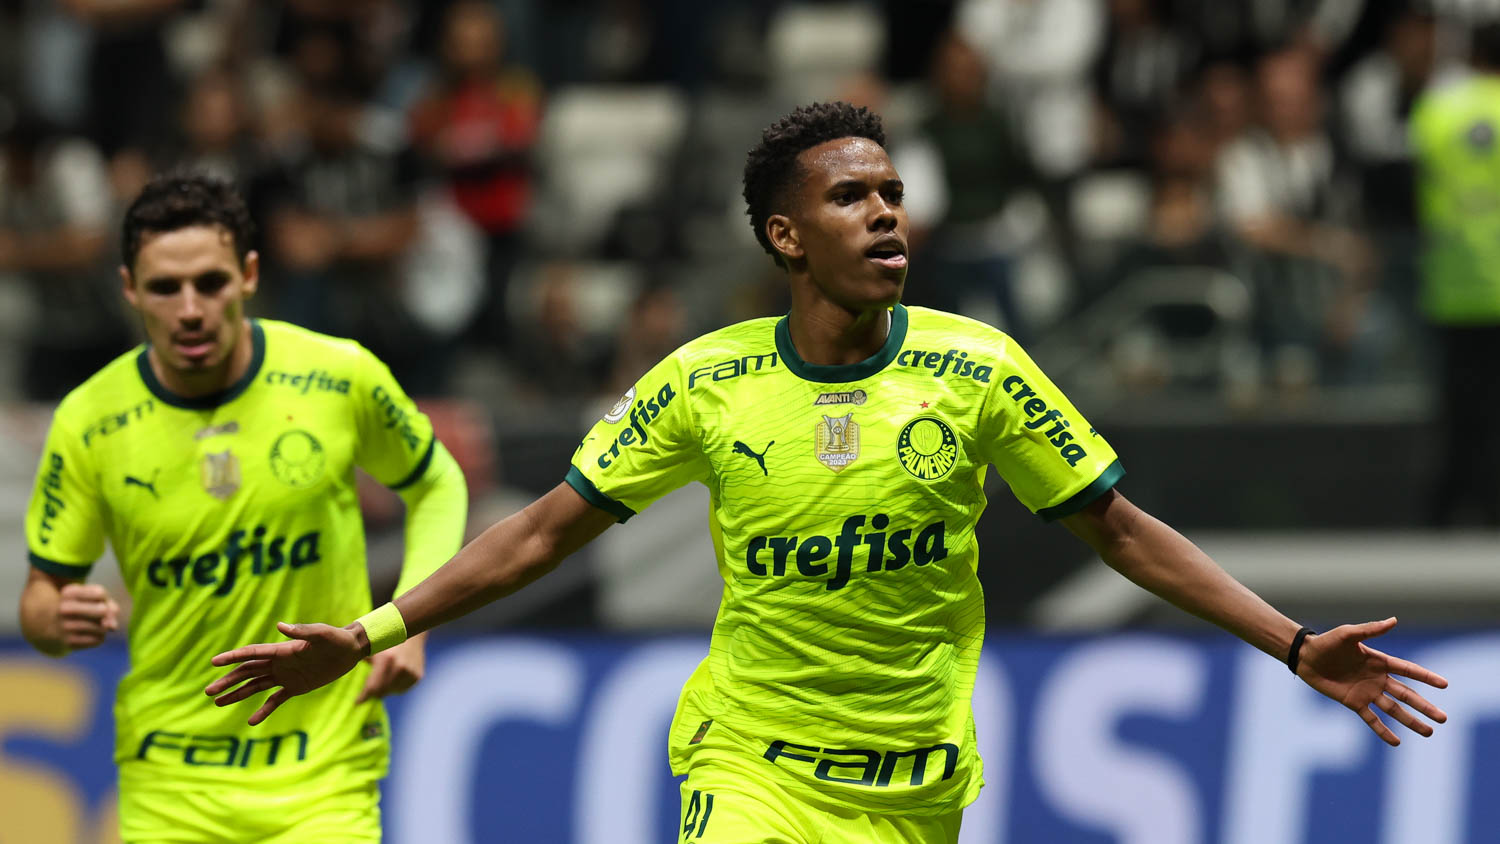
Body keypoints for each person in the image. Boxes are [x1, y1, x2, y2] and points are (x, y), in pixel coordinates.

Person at [206, 103, 1447, 843]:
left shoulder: (978, 372)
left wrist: (1291, 646)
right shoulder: (703, 382)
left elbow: (1119, 531)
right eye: (853, 197)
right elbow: (538, 533)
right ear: (785, 235)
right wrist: (372, 629)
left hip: (917, 788)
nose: (888, 214)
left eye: (895, 194)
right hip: (756, 772)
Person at [19, 172, 469, 843]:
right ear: (130, 289)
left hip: (323, 768)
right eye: (166, 288)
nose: (191, 308)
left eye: (211, 282)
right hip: (171, 778)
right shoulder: (89, 420)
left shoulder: (337, 375)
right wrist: (57, 619)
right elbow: (39, 599)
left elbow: (437, 484)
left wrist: (409, 621)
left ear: (250, 275)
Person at [1410, 21, 1500, 527]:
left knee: (1458, 414)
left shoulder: (1438, 108)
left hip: (1451, 287)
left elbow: (1413, 176)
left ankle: (1442, 520)